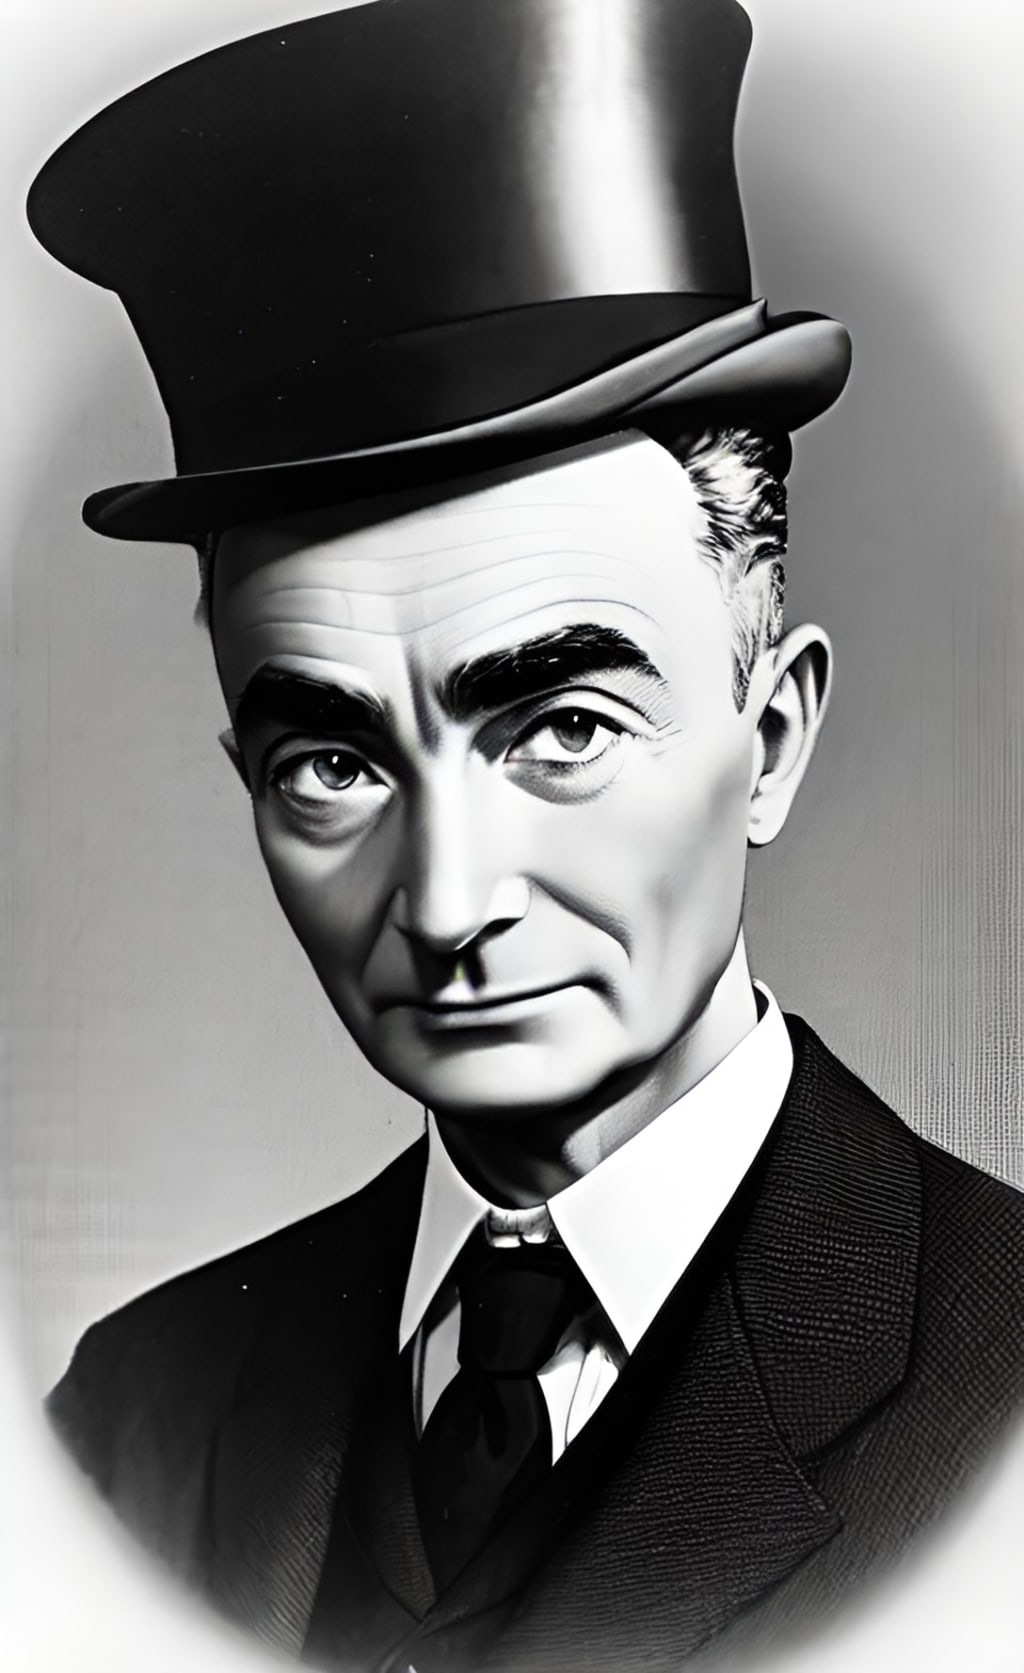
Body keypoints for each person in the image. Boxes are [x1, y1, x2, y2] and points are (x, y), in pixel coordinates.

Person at [25, 2, 1023, 1669]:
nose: (447, 902)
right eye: (331, 762)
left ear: (771, 740)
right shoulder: (129, 1416)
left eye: (561, 729)